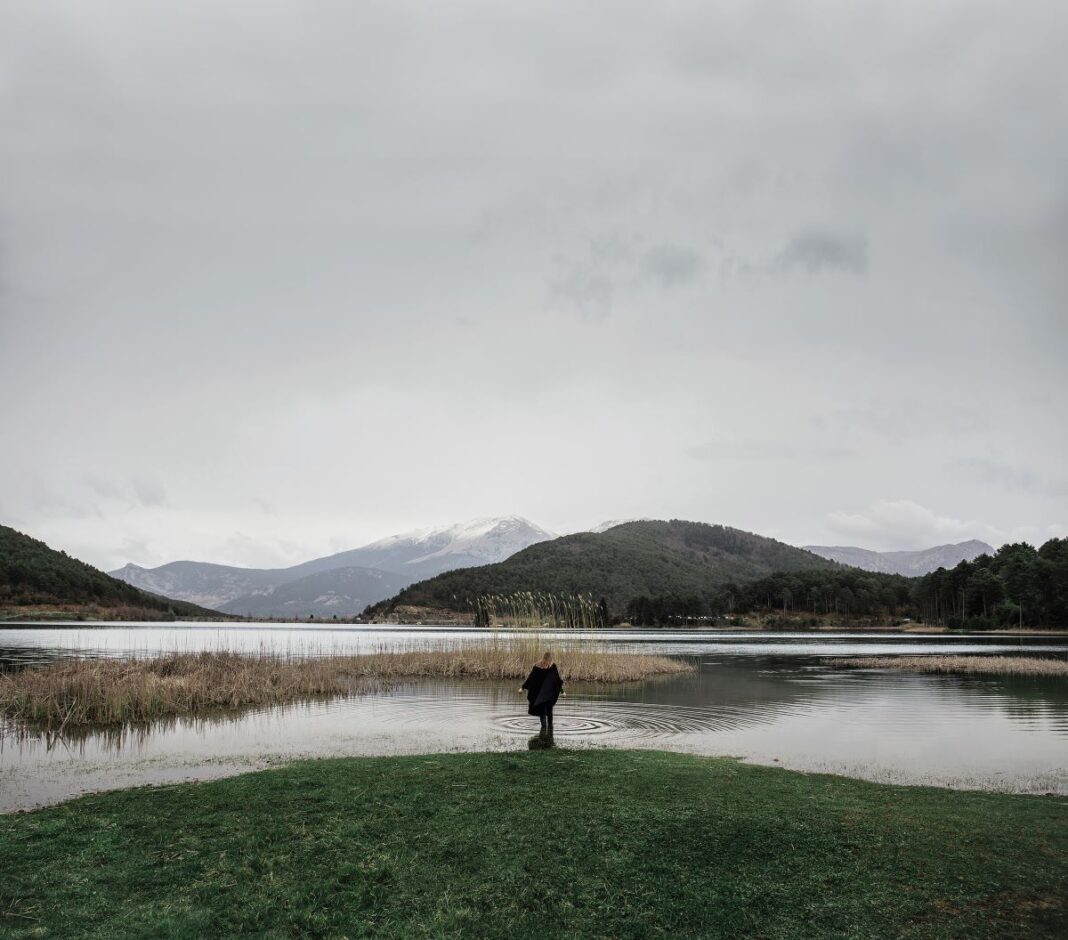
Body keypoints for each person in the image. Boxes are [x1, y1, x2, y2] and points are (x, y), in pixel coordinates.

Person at [520, 650, 564, 737]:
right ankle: (543, 731)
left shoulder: (553, 667)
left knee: (550, 712)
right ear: (544, 660)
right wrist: (522, 687)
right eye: (547, 662)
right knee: (542, 712)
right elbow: (531, 678)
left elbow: (557, 680)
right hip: (539, 694)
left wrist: (562, 691)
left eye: (550, 662)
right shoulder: (537, 667)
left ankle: (550, 731)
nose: (549, 663)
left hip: (549, 694)